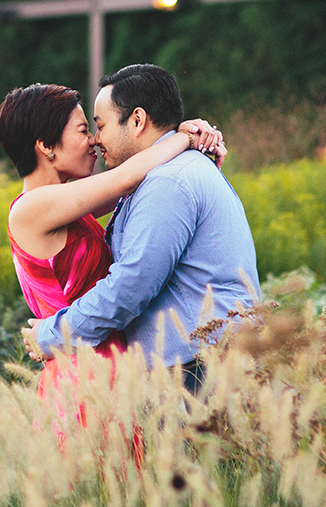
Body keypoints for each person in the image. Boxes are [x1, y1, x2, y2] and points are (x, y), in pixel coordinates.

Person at [19, 64, 258, 394]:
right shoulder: (157, 177)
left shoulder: (167, 182)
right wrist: (185, 137)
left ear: (137, 120)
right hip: (191, 368)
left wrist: (51, 335)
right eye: (86, 130)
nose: (96, 140)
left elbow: (130, 285)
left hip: (197, 373)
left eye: (99, 126)